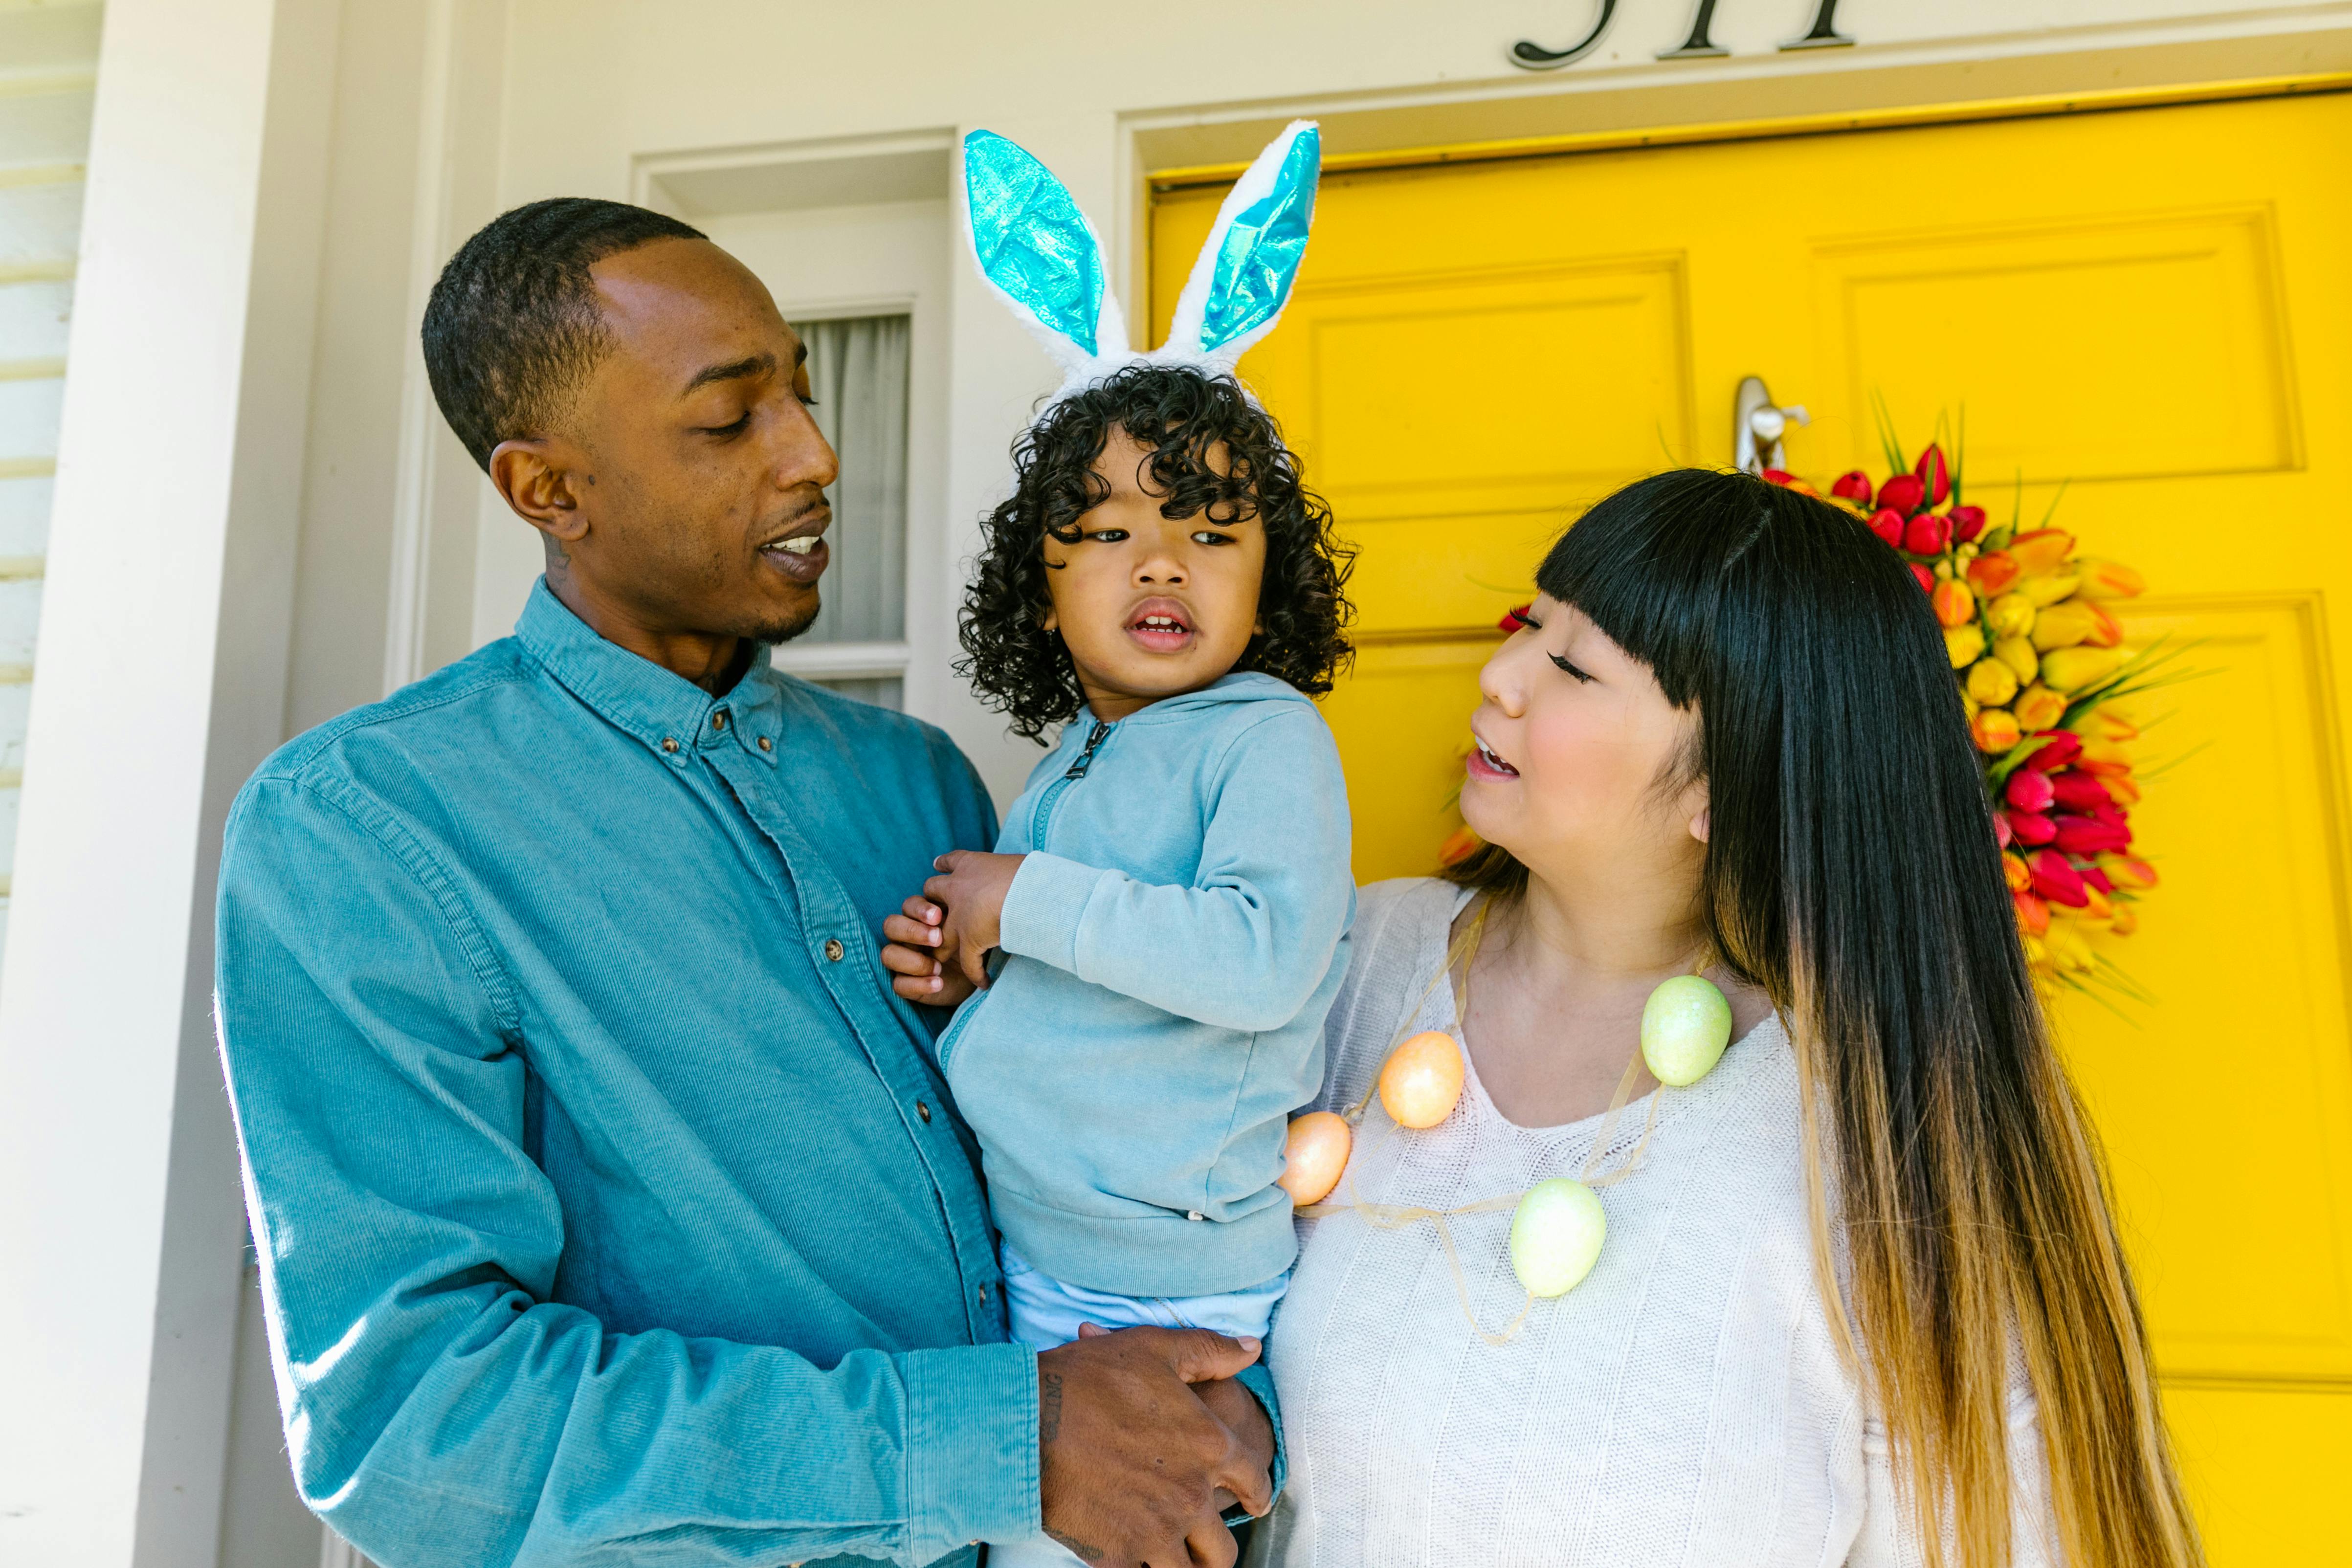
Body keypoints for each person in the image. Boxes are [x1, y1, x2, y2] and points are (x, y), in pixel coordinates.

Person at [213, 197, 1276, 1568]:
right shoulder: (360, 831)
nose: (817, 456)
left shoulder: (924, 789)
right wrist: (1009, 1441)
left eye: (806, 393)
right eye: (731, 421)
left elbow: (1094, 1143)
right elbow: (420, 1429)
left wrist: (1205, 1392)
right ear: (549, 490)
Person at [1255, 469, 2201, 1567]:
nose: (1501, 673)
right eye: (1529, 622)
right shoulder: (1351, 958)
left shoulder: (1873, 1131)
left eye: (1570, 664)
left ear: (1727, 785)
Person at [875, 126, 1350, 1568]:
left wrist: (1025, 896)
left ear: (1272, 573)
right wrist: (971, 991)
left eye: (1211, 530)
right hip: (1032, 1268)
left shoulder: (1262, 739)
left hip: (1167, 1294)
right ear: (1045, 575)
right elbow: (1087, 986)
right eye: (1107, 530)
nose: (1160, 563)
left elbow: (1260, 959)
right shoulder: (1072, 760)